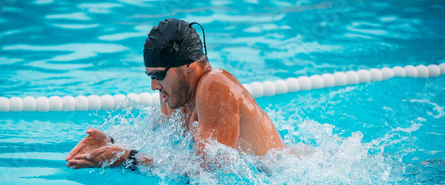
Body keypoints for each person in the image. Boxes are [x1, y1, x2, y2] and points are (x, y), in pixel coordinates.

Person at [66, 18, 286, 170]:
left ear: (188, 65)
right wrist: (110, 144)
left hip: (280, 175)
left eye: (159, 75)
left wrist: (130, 159)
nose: (154, 86)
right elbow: (157, 142)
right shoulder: (175, 96)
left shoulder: (214, 84)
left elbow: (214, 173)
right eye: (151, 77)